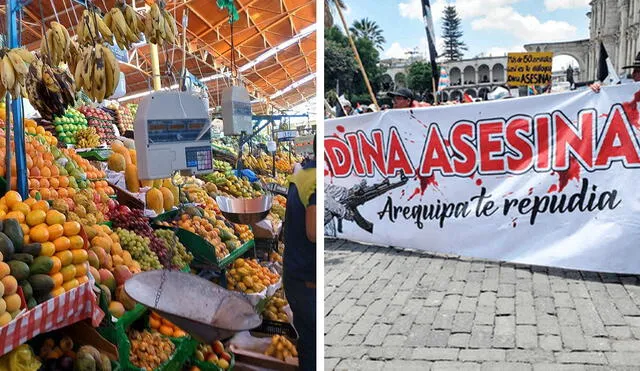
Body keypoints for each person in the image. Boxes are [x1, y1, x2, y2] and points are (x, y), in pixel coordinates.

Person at [283, 135, 316, 371]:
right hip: (307, 278)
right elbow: (314, 233)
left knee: (308, 342)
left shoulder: (301, 174)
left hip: (295, 272)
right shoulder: (315, 181)